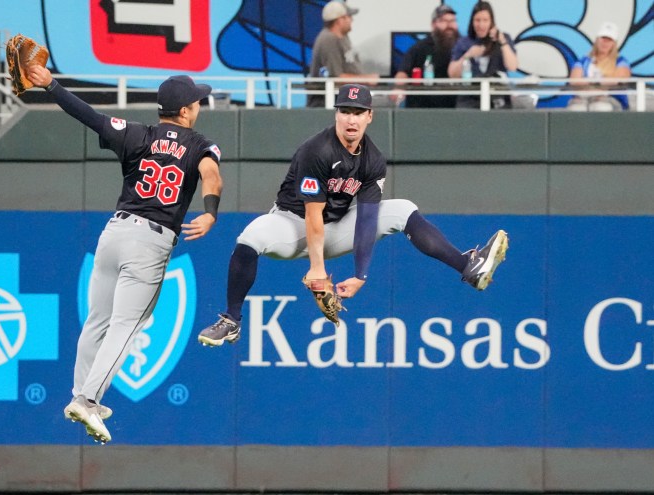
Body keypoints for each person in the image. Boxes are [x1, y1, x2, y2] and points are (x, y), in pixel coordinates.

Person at [197, 83, 508, 347]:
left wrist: (360, 276)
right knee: (251, 236)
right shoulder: (317, 150)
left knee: (401, 209)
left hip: (336, 229)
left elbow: (368, 220)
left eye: (358, 112)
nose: (351, 119)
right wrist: (317, 271)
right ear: (336, 114)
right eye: (345, 111)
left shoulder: (373, 161)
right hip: (291, 225)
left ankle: (469, 267)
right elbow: (312, 213)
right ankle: (231, 320)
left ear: (370, 116)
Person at [26, 66, 223, 443]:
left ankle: (81, 395)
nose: (199, 103)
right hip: (150, 241)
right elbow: (211, 175)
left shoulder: (138, 134)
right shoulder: (200, 143)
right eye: (196, 99)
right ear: (184, 111)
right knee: (126, 327)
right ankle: (88, 399)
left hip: (114, 232)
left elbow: (89, 116)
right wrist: (211, 210)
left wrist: (51, 85)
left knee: (97, 321)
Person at [306, 1, 378, 108]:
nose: (352, 20)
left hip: (349, 97)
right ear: (340, 20)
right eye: (349, 17)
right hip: (330, 101)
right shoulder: (328, 40)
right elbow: (336, 77)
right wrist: (366, 79)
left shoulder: (343, 38)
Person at [448, 1, 518, 109]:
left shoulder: (504, 39)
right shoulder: (463, 42)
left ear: (491, 22)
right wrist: (468, 55)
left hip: (498, 99)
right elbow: (452, 74)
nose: (481, 25)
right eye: (477, 20)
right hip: (469, 100)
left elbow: (512, 66)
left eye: (485, 20)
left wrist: (502, 42)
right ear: (472, 22)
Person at [393, 4, 460, 108]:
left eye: (452, 21)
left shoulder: (463, 47)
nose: (449, 25)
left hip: (456, 106)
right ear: (433, 25)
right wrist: (398, 89)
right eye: (444, 21)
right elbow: (403, 72)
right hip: (424, 107)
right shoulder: (420, 48)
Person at [566, 22, 632, 112]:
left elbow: (620, 78)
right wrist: (600, 82)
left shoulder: (621, 61)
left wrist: (591, 82)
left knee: (601, 107)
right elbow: (574, 80)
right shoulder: (584, 60)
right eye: (603, 38)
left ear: (614, 43)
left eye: (609, 40)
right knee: (577, 108)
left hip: (611, 98)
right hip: (584, 98)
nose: (605, 43)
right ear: (597, 40)